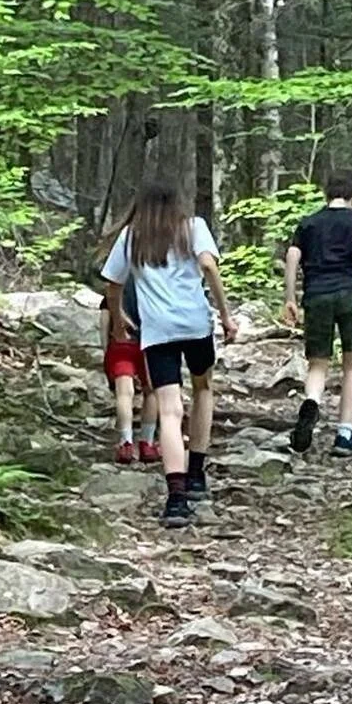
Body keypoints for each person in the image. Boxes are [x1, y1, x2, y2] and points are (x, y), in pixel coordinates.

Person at [101, 180, 238, 525]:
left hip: (157, 331)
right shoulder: (193, 228)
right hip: (195, 325)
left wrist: (119, 322)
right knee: (204, 389)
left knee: (170, 410)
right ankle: (196, 473)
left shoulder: (132, 236)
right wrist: (224, 315)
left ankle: (175, 498)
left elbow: (113, 285)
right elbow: (208, 266)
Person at [282, 170, 352, 456]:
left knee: (318, 362)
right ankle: (344, 434)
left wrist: (290, 298)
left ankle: (312, 401)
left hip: (316, 294)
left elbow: (292, 255)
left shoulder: (309, 223)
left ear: (327, 194)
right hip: (349, 293)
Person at [98, 274, 159, 464]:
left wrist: (106, 349)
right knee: (152, 392)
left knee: (124, 394)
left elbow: (104, 319)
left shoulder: (116, 287)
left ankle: (126, 443)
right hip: (149, 343)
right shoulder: (154, 284)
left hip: (121, 344)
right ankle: (147, 444)